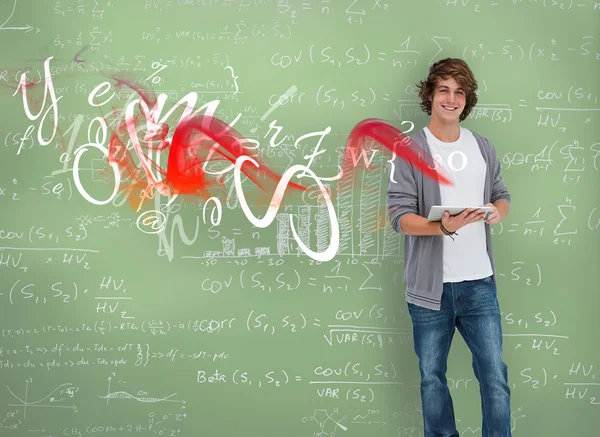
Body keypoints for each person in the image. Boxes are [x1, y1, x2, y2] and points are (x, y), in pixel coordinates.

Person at [387, 58, 512, 436]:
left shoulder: (483, 147)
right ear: (430, 94)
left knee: (495, 379)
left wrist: (496, 213)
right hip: (430, 289)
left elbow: (500, 195)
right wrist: (441, 226)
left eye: (459, 92)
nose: (452, 98)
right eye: (444, 89)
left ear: (466, 99)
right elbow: (399, 216)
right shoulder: (410, 149)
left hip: (480, 283)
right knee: (432, 379)